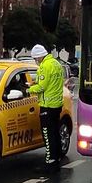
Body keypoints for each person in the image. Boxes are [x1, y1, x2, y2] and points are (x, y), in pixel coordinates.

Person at [27, 44, 65, 174]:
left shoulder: (44, 66)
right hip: (57, 104)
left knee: (48, 136)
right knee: (55, 133)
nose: (35, 62)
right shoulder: (56, 64)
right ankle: (57, 158)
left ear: (39, 57)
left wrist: (28, 89)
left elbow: (41, 88)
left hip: (47, 106)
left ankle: (50, 163)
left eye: (35, 59)